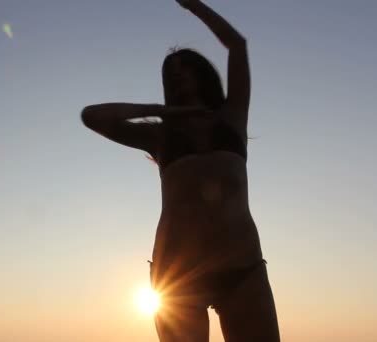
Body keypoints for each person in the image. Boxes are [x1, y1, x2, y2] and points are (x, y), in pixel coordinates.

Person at [80, 0, 280, 341]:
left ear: (201, 72)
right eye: (170, 74)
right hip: (178, 278)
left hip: (243, 269)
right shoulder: (159, 135)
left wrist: (194, 6)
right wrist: (160, 111)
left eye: (184, 67)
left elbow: (237, 45)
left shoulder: (231, 117)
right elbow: (92, 116)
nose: (177, 75)